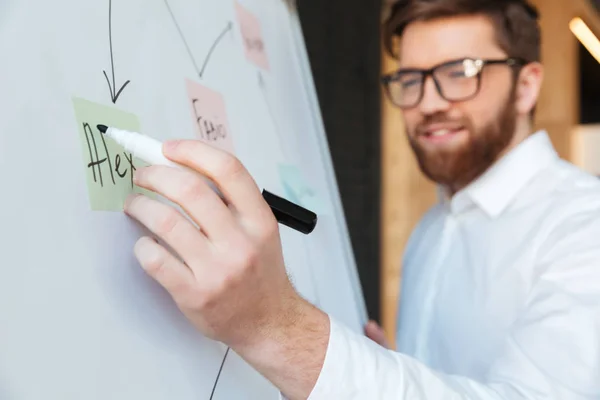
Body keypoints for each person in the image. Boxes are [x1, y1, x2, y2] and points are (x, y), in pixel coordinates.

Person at [124, 0, 600, 398]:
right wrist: (392, 365)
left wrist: (270, 324)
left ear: (528, 84)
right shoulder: (433, 227)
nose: (429, 102)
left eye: (461, 72)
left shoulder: (584, 226)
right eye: (411, 79)